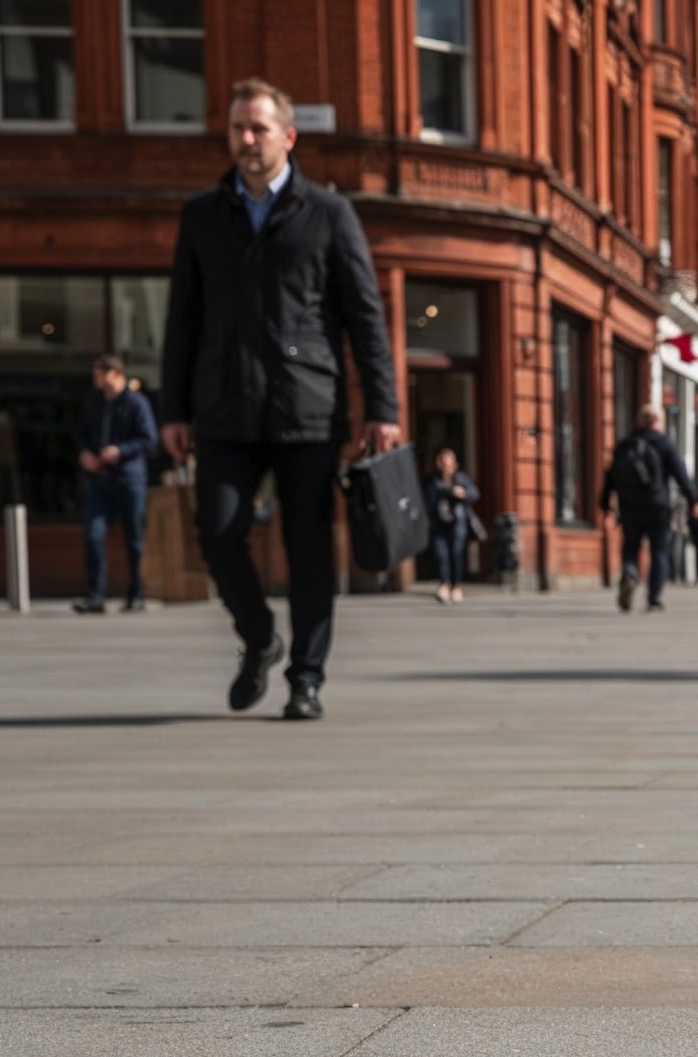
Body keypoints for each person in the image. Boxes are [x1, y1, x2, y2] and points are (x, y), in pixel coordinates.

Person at [160, 79, 399, 722]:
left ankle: (307, 677)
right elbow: (182, 318)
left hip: (307, 409)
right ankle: (260, 638)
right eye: (237, 128)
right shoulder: (203, 216)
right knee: (217, 532)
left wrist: (384, 409)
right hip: (223, 407)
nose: (245, 140)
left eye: (258, 128)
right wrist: (172, 410)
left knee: (309, 549)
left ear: (287, 136)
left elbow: (365, 319)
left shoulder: (328, 214)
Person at [71, 353, 157, 614]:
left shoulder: (136, 403)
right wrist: (85, 453)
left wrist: (120, 451)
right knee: (94, 534)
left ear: (115, 373)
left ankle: (137, 594)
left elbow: (149, 439)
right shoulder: (94, 402)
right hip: (100, 480)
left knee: (134, 539)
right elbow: (81, 434)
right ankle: (95, 595)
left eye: (100, 373)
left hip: (129, 480)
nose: (95, 379)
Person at [600, 404, 690, 613]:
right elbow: (681, 475)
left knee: (630, 546)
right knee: (659, 549)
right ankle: (654, 599)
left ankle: (630, 573)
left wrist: (605, 504)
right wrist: (694, 500)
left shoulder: (625, 446)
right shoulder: (664, 444)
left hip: (629, 505)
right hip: (658, 505)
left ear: (640, 421)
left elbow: (610, 478)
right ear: (658, 421)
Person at [421, 446, 477, 604]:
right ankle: (444, 585)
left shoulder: (461, 479)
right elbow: (427, 502)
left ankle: (457, 586)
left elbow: (474, 494)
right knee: (441, 556)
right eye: (443, 463)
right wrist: (443, 493)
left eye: (449, 463)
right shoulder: (433, 481)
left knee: (456, 555)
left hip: (458, 524)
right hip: (439, 525)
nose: (446, 466)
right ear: (438, 464)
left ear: (455, 464)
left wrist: (463, 494)